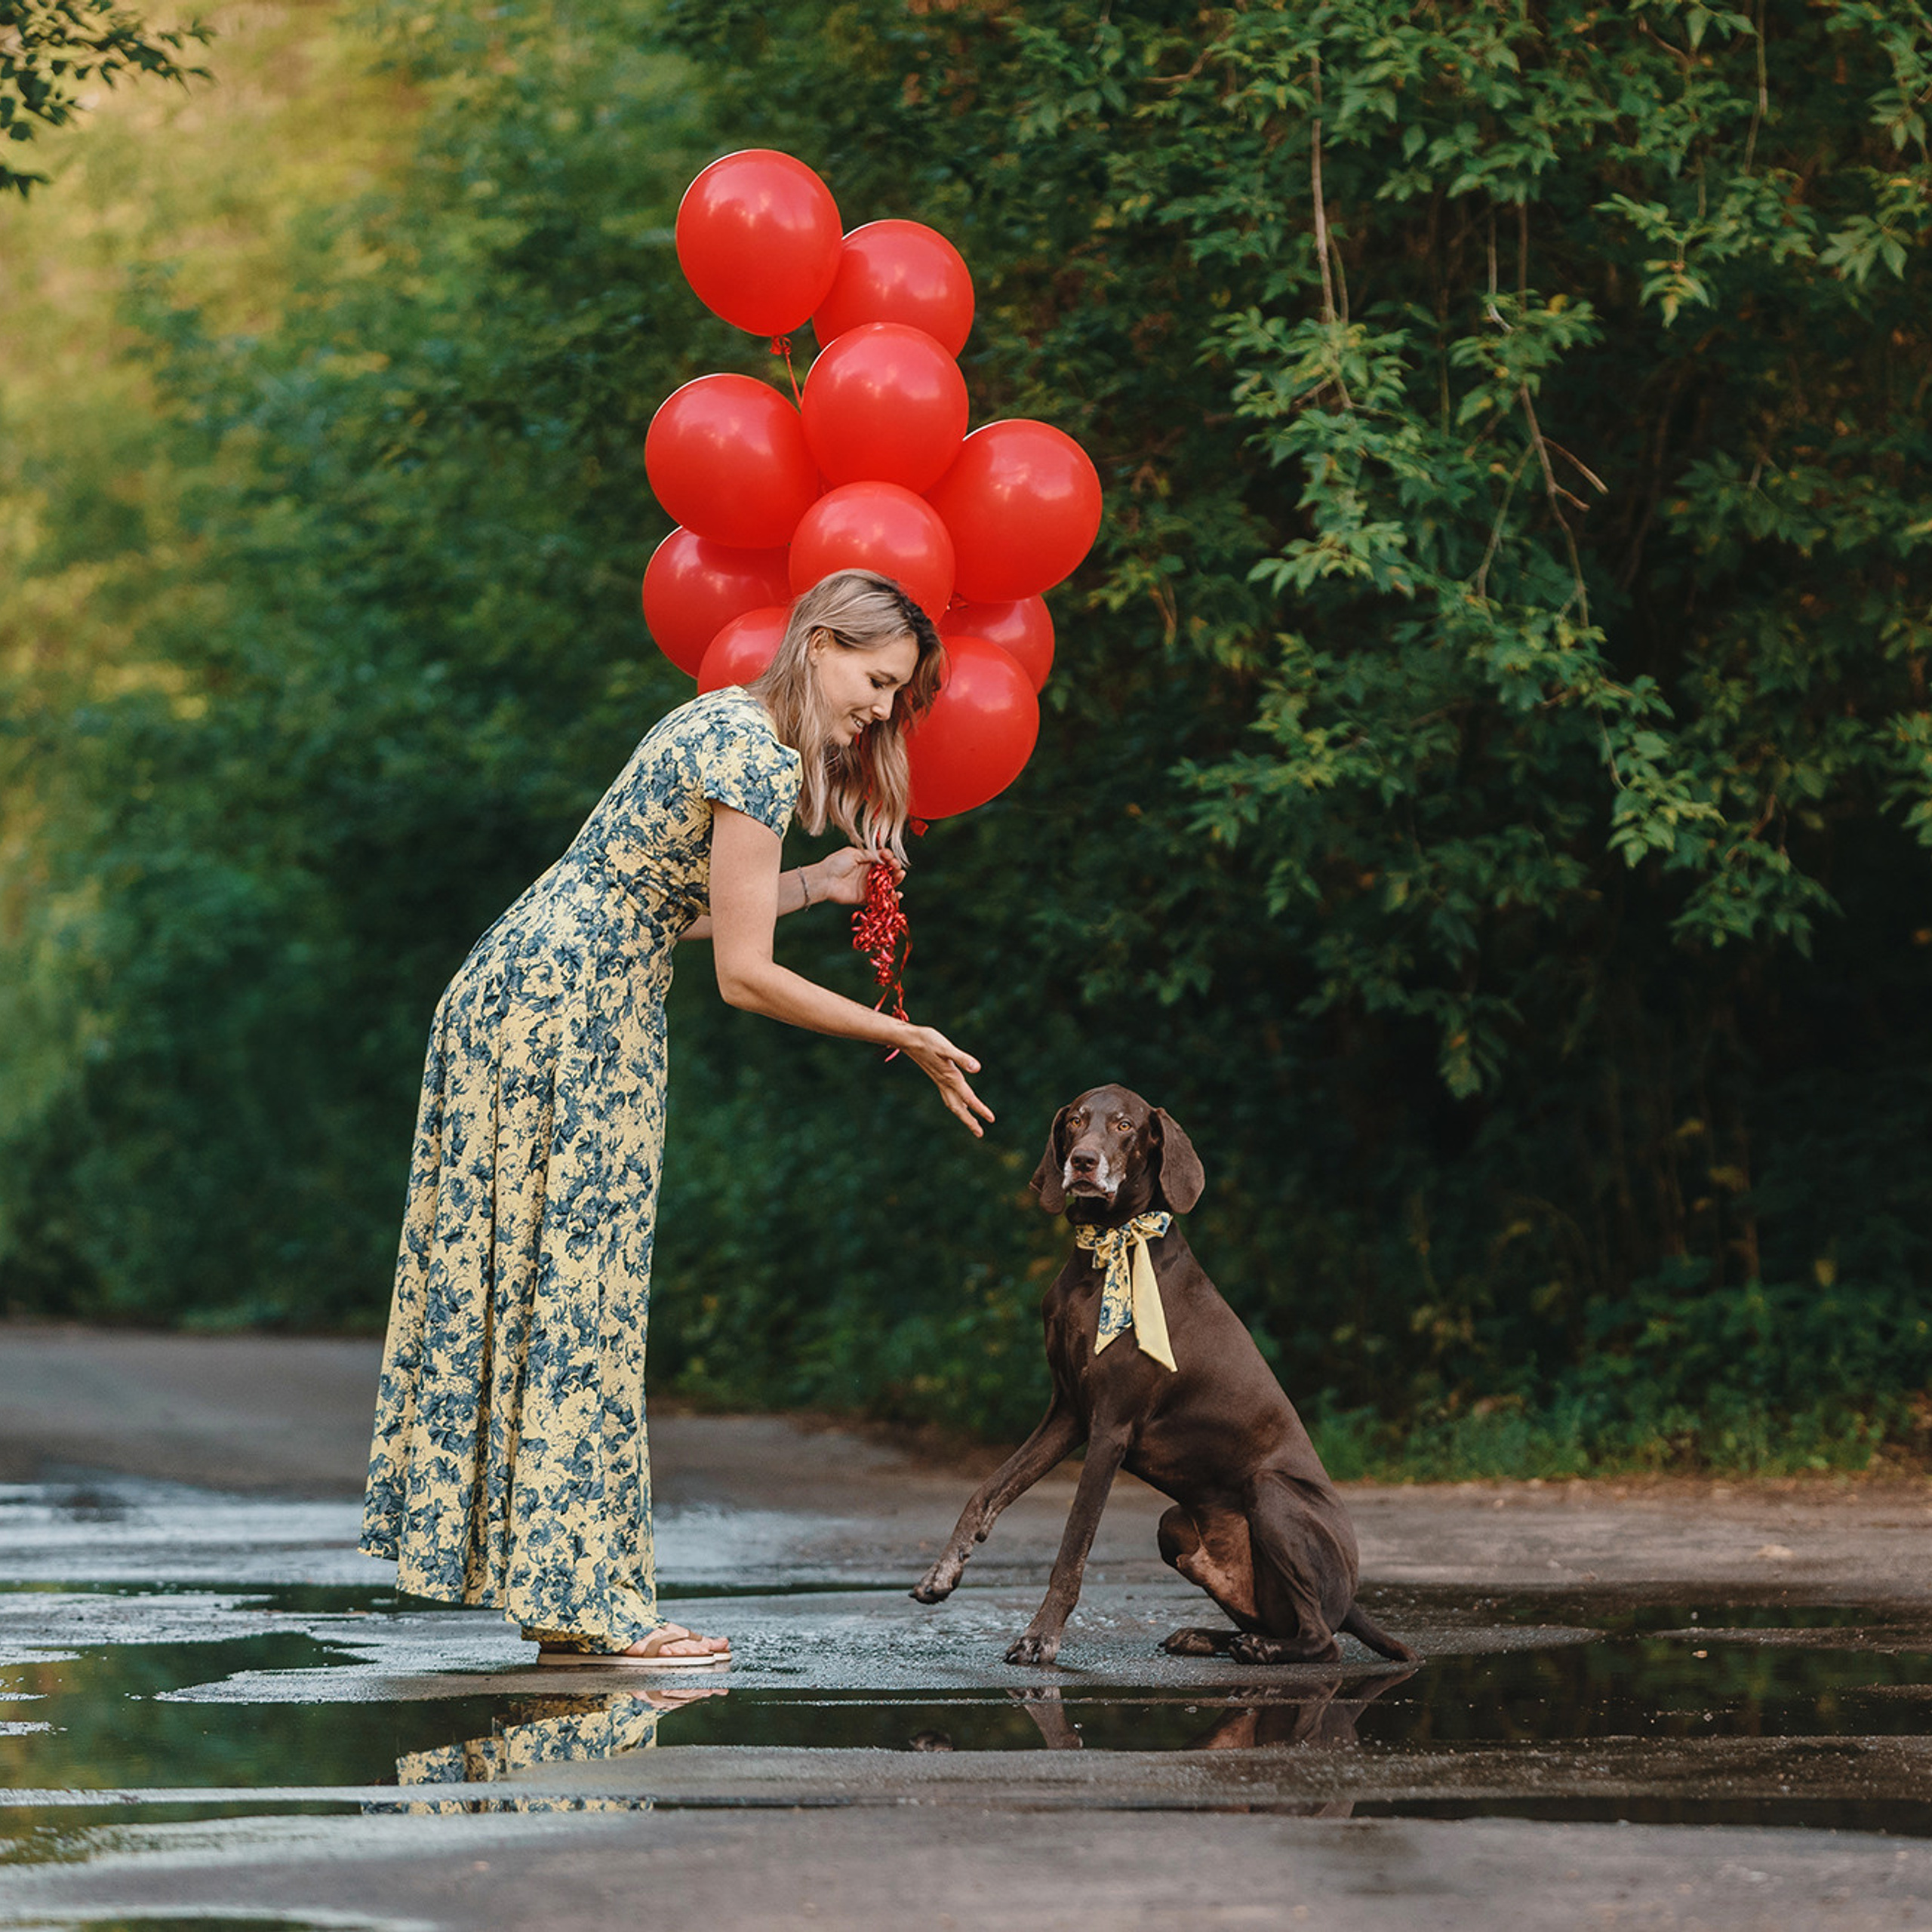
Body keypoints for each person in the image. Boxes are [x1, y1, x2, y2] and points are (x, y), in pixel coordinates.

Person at [358, 569, 992, 1669]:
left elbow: (668, 902)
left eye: (897, 695)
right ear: (825, 642)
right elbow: (747, 976)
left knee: (558, 1283)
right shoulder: (756, 750)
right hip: (572, 1011)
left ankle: (572, 1595)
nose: (882, 711)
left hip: (530, 988)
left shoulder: (722, 719)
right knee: (581, 1291)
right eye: (878, 680)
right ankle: (598, 1605)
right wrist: (909, 1034)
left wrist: (818, 883)